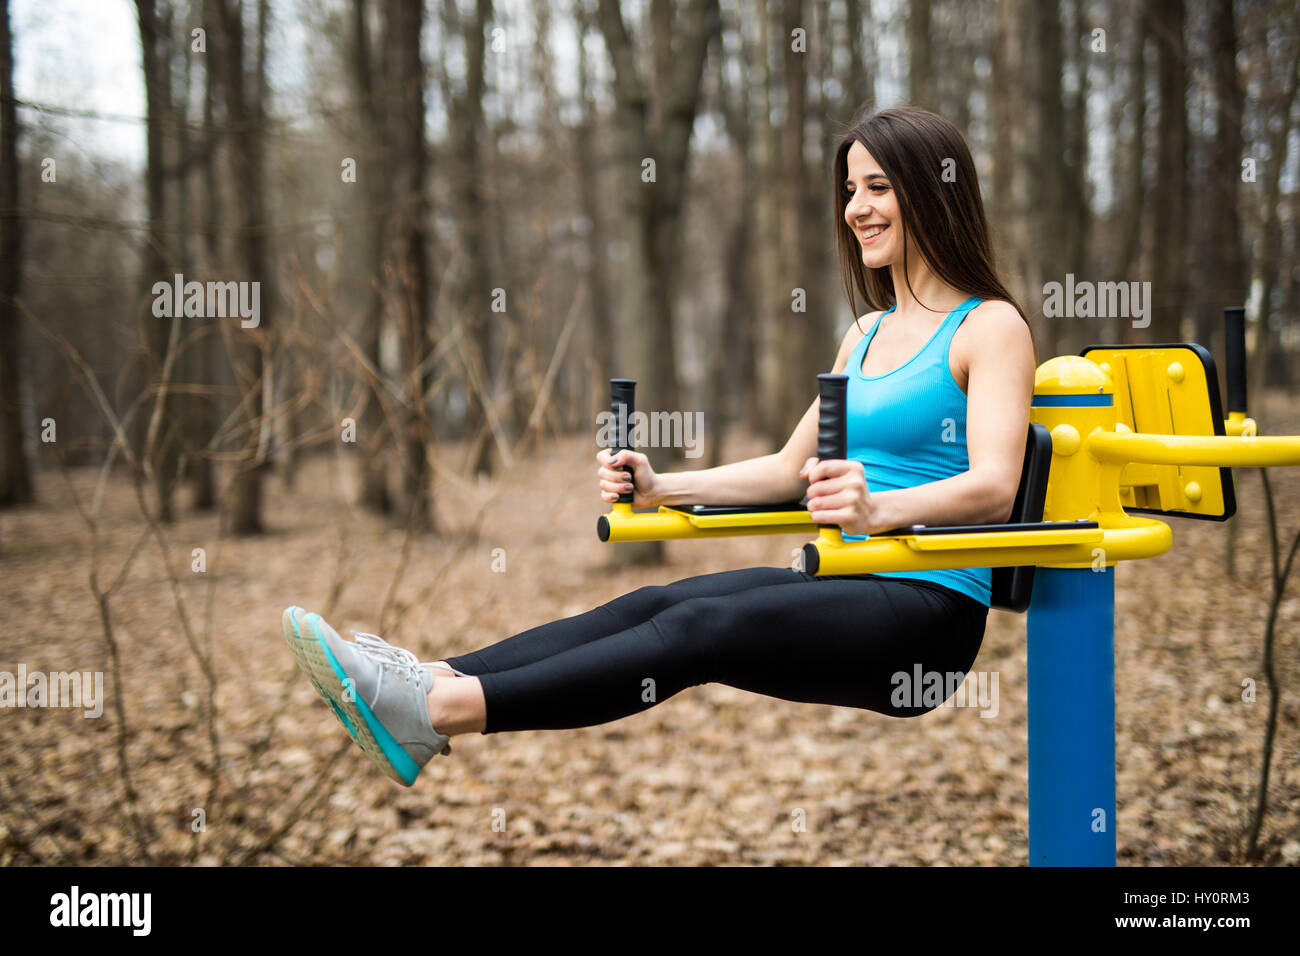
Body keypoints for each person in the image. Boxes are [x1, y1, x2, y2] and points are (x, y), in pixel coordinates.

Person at [283, 106, 1038, 787]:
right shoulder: (866, 333)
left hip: (929, 614)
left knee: (700, 630)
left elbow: (996, 486)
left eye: (878, 187)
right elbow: (785, 468)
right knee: (657, 598)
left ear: (934, 191)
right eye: (850, 190)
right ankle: (423, 679)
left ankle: (438, 713)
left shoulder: (988, 327)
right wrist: (662, 487)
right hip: (852, 575)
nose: (857, 210)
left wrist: (881, 508)